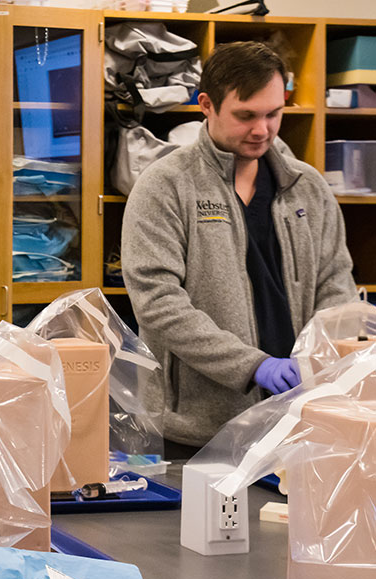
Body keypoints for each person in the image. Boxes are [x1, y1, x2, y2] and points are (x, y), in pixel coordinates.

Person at [122, 41, 356, 458]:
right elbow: (158, 302)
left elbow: (335, 283)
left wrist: (320, 361)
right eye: (246, 115)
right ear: (206, 105)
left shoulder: (309, 187)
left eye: (273, 114)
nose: (262, 129)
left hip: (298, 419)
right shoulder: (166, 185)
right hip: (197, 430)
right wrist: (253, 365)